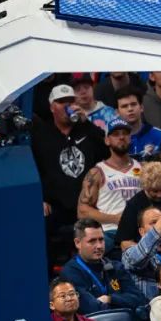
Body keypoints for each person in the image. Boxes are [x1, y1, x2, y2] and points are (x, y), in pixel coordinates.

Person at [30, 83, 109, 246]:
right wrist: (40, 199)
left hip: (89, 204)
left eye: (70, 101)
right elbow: (34, 169)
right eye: (61, 101)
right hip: (57, 206)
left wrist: (86, 123)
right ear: (52, 107)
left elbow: (106, 154)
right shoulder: (42, 135)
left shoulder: (87, 130)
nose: (67, 105)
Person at [76, 116, 143, 241]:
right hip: (111, 232)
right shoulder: (97, 172)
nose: (121, 137)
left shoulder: (143, 169)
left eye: (125, 133)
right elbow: (82, 211)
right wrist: (116, 218)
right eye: (116, 134)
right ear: (107, 140)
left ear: (130, 138)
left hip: (140, 231)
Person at [61, 218, 145, 313]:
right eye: (92, 241)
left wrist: (110, 299)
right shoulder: (71, 272)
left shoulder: (116, 267)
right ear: (77, 243)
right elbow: (90, 308)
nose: (99, 246)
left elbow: (139, 299)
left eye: (101, 240)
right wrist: (122, 301)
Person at [114, 85, 161, 160]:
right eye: (124, 106)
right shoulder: (113, 140)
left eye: (133, 104)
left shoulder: (160, 135)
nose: (130, 109)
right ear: (117, 112)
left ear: (141, 108)